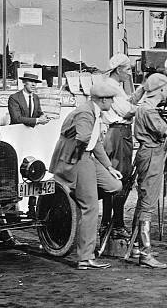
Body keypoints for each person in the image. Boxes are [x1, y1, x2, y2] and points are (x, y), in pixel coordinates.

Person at [49, 81, 123, 270]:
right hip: (78, 160)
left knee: (114, 186)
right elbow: (83, 138)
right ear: (103, 100)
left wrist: (108, 167)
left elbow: (94, 141)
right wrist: (80, 154)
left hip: (88, 157)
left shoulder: (94, 112)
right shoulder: (85, 112)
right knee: (90, 208)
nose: (113, 103)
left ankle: (77, 196)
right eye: (111, 99)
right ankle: (85, 258)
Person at [132, 73, 167, 268]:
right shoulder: (148, 111)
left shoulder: (145, 108)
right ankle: (145, 253)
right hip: (151, 155)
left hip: (150, 154)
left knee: (145, 200)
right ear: (161, 89)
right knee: (148, 203)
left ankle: (137, 245)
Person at [100, 53, 145, 240]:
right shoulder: (111, 86)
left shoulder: (116, 86)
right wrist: (147, 108)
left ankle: (110, 223)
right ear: (118, 70)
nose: (129, 73)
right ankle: (115, 224)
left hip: (120, 132)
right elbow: (126, 110)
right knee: (119, 178)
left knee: (118, 178)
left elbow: (129, 102)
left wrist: (143, 89)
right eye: (127, 69)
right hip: (118, 133)